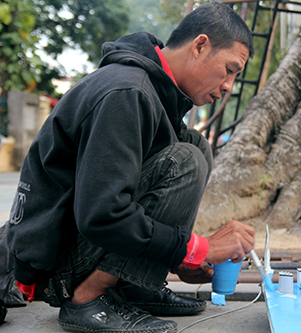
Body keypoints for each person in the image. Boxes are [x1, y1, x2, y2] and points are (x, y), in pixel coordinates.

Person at [7, 3, 256, 333]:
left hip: (72, 245)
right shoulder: (127, 91)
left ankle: (127, 283)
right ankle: (87, 298)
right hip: (50, 265)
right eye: (229, 69)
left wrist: (174, 259)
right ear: (200, 45)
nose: (228, 85)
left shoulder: (155, 94)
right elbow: (102, 214)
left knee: (195, 146)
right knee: (187, 160)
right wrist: (198, 248)